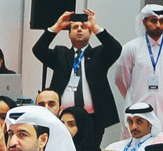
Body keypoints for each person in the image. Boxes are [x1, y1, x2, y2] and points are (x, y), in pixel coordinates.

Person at [32, 9, 122, 143]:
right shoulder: (60, 54)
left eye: (84, 27)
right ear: (69, 35)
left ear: (90, 33)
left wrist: (95, 27)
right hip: (63, 117)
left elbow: (115, 49)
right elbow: (38, 50)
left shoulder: (99, 54)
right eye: (75, 27)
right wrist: (57, 26)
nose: (79, 29)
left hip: (92, 118)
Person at [116, 5, 163, 139]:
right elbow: (121, 80)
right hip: (138, 114)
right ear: (144, 21)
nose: (158, 25)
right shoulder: (131, 48)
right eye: (153, 21)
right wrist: (138, 94)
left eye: (162, 21)